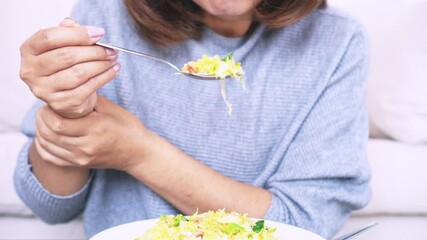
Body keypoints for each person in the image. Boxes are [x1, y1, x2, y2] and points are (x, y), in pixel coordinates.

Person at [14, 0, 371, 238]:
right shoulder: (106, 17)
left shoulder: (336, 41)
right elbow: (50, 205)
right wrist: (68, 110)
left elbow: (306, 225)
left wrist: (141, 153)